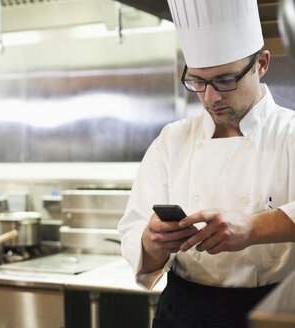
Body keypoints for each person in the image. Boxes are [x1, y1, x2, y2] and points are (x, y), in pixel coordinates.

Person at [117, 0, 295, 327]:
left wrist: (254, 228)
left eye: (225, 80)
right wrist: (152, 241)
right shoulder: (172, 141)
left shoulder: (290, 134)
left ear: (262, 63)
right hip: (185, 312)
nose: (210, 98)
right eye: (197, 81)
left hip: (268, 311)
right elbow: (135, 233)